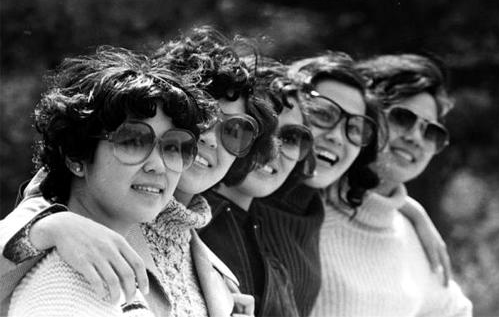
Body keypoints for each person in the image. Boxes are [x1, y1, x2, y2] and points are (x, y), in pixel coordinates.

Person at [0, 27, 271, 317]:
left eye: (234, 130)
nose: (210, 139)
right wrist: (51, 228)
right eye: (203, 121)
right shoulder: (72, 216)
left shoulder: (216, 274)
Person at [6, 46, 202, 316]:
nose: (158, 165)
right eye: (133, 141)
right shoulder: (63, 291)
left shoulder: (122, 264)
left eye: (172, 147)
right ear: (76, 157)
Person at [306, 53, 473, 316]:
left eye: (432, 132)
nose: (416, 138)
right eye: (402, 118)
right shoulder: (302, 206)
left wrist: (408, 209)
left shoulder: (413, 235)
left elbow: (456, 310)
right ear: (365, 115)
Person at [199, 57, 315, 317]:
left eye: (292, 136)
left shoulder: (269, 231)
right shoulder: (189, 220)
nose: (275, 149)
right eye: (263, 128)